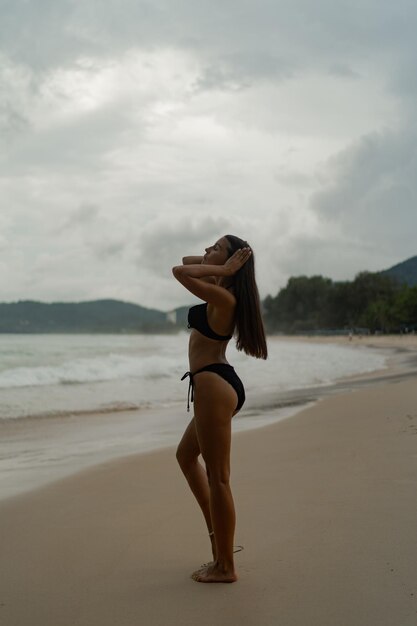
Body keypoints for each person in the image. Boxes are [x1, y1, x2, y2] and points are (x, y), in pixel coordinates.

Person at [172, 234, 268, 583]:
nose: (207, 249)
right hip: (213, 383)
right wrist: (222, 263)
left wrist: (225, 267)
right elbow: (186, 259)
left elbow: (179, 272)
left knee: (220, 478)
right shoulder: (218, 285)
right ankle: (218, 542)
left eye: (215, 247)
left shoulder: (223, 296)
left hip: (214, 384)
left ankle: (225, 566)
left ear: (231, 264)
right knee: (186, 456)